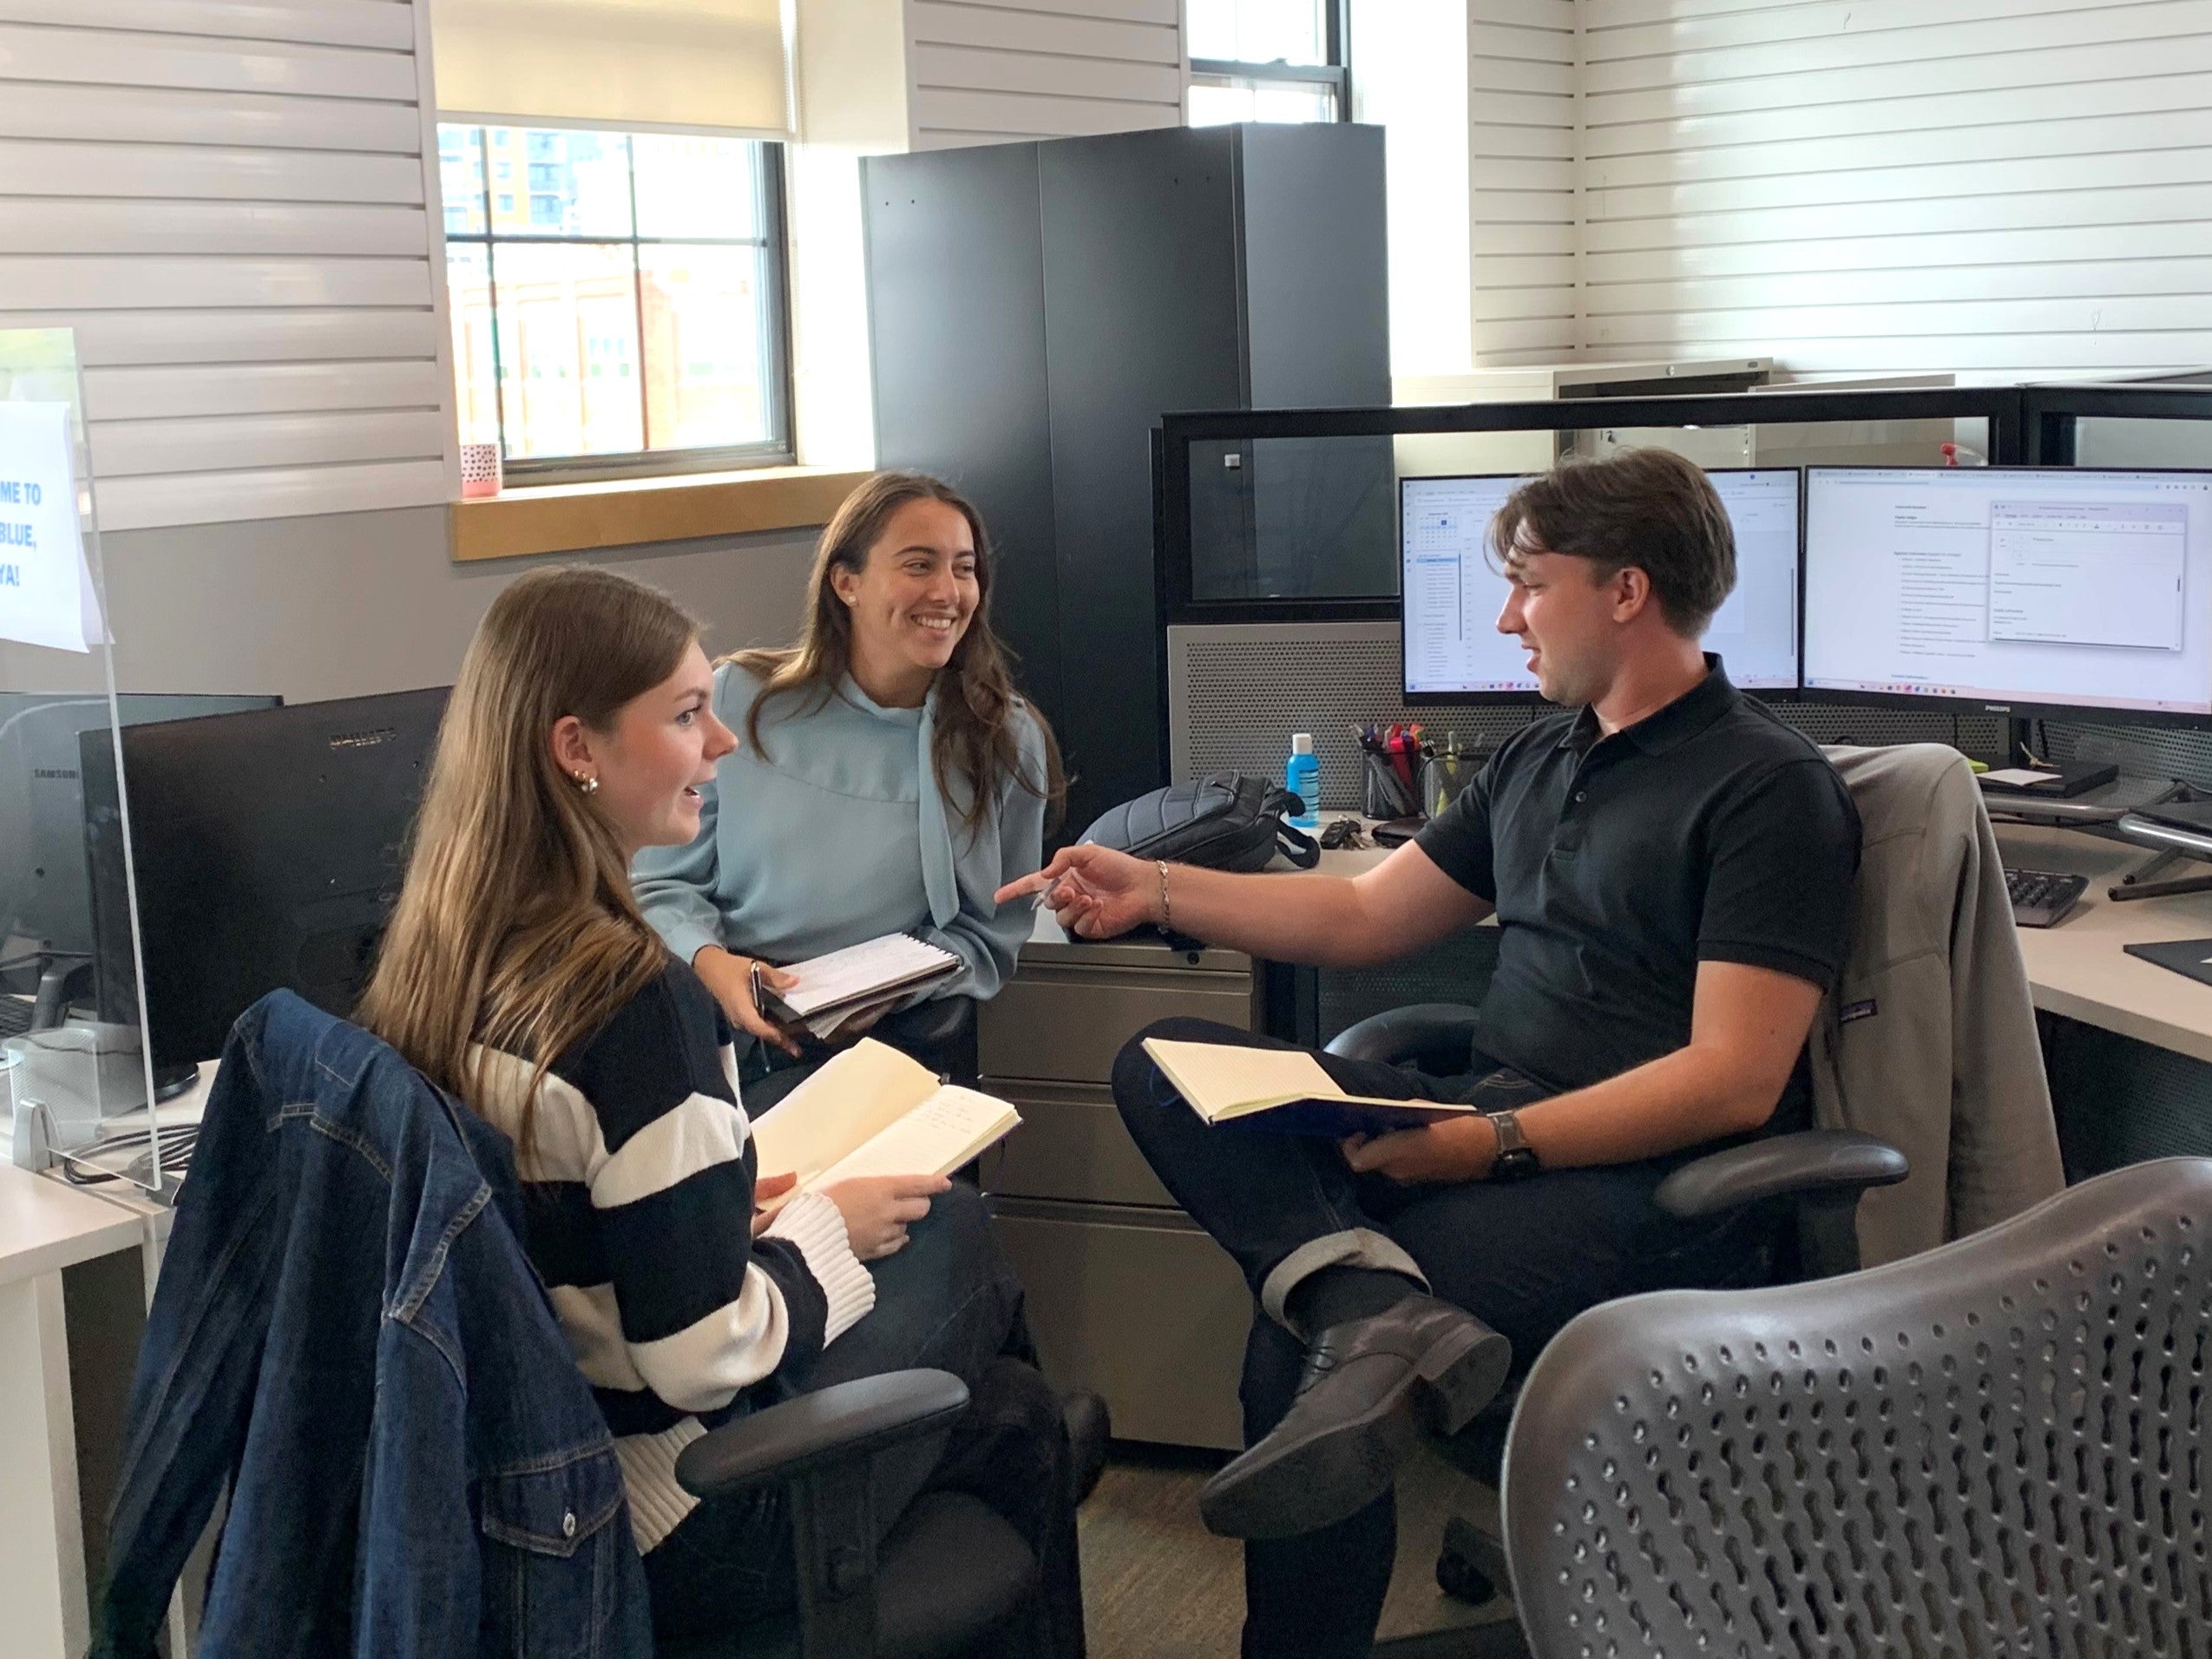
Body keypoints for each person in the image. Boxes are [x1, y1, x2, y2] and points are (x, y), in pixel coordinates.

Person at [998, 448, 1861, 1657]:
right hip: (1489, 1116)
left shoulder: (1766, 788)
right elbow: (1361, 917)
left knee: (1290, 1343)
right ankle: (1371, 1308)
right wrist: (1153, 886)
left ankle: (1345, 1382)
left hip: (1649, 1183)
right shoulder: (1538, 757)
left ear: (1624, 591)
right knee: (1168, 1061)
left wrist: (1486, 1147)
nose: (1505, 617)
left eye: (1528, 585)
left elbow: (1732, 1078)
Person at [358, 566, 1081, 1652]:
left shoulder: (440, 956)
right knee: (964, 1235)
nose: (725, 743)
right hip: (680, 1510)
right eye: (689, 715)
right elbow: (704, 1352)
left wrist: (714, 1219)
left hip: (519, 1484)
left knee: (1013, 1417)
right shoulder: (632, 999)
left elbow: (549, 1228)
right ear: (576, 750)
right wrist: (821, 1233)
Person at [633, 470, 1063, 1101]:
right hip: (711, 1013)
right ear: (847, 582)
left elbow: (988, 932)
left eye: (964, 569)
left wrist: (893, 988)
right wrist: (710, 964)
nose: (947, 591)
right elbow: (662, 880)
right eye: (919, 565)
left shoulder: (999, 736)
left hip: (875, 1039)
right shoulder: (739, 699)